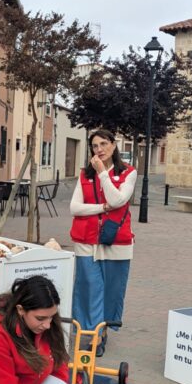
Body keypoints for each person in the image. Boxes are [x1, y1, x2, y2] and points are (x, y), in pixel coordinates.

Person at [69, 129, 137, 357]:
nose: (99, 149)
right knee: (88, 288)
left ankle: (103, 330)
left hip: (116, 241)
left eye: (104, 144)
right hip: (86, 241)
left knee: (111, 290)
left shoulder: (129, 173)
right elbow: (74, 207)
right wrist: (102, 208)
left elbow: (118, 199)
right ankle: (91, 334)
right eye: (95, 146)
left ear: (113, 145)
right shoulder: (84, 175)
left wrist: (103, 174)